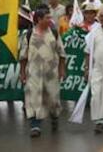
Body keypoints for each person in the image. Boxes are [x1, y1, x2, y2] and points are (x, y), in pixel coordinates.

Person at [19, 8, 66, 138]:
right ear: (39, 19)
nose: (50, 20)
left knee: (53, 99)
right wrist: (22, 72)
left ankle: (54, 116)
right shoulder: (29, 35)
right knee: (34, 98)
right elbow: (23, 56)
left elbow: (62, 54)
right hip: (33, 73)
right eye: (47, 17)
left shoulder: (54, 33)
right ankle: (35, 125)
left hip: (51, 72)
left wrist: (62, 70)